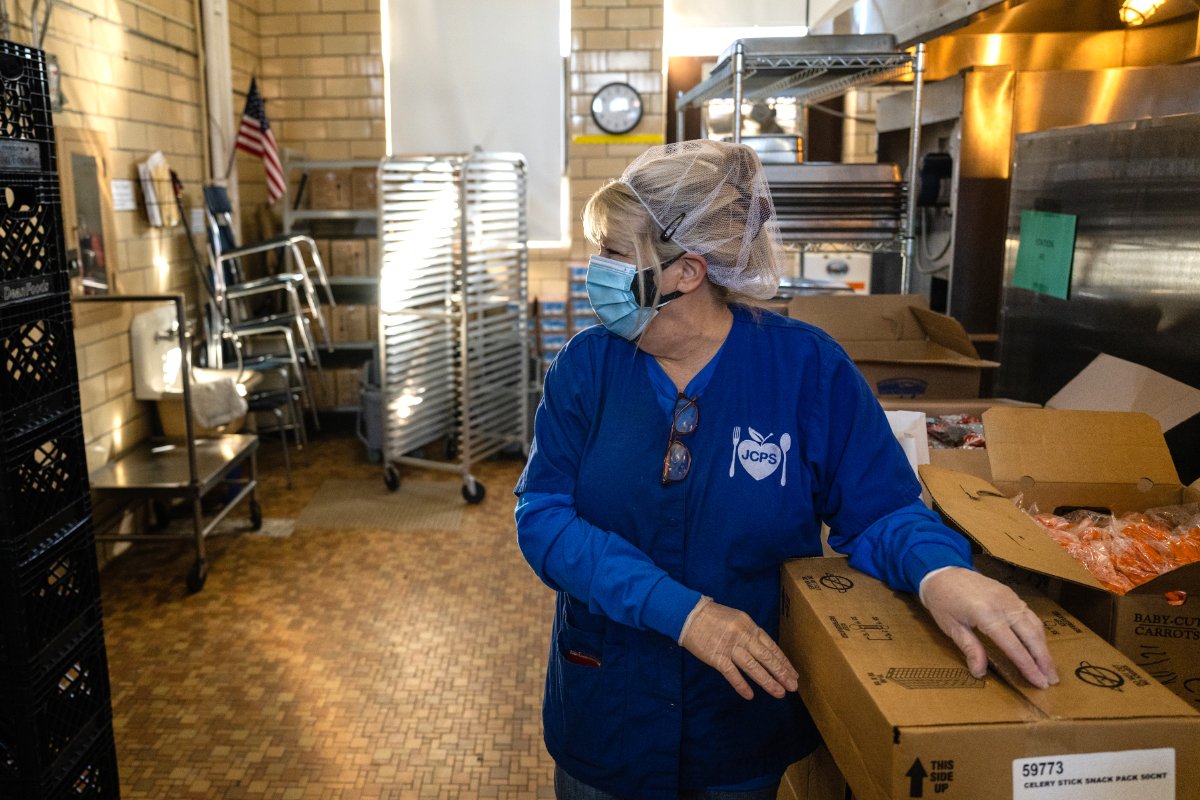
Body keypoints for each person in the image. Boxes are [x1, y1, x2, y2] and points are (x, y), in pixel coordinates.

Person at [514, 139, 1058, 800]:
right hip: (608, 713)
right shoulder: (587, 367)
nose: (594, 269)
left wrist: (940, 573)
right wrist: (684, 614)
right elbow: (543, 518)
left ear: (686, 272)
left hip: (738, 725)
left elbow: (881, 510)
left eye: (612, 253)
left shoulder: (805, 370)